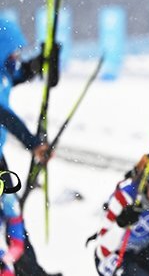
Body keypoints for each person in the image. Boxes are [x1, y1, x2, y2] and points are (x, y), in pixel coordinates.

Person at [0, 17, 61, 276]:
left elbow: (21, 73)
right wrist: (33, 143)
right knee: (9, 211)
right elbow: (3, 115)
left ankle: (31, 271)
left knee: (13, 214)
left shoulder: (4, 71)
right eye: (12, 50)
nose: (16, 55)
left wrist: (44, 61)